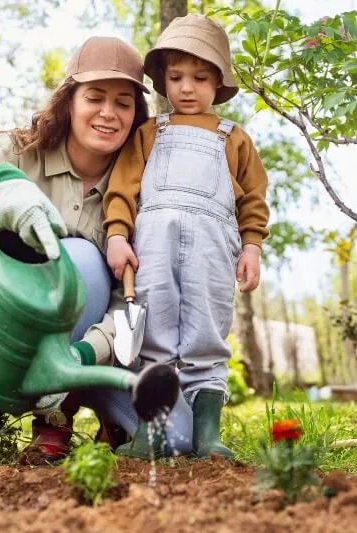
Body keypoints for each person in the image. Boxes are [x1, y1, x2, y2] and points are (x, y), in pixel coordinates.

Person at [0, 36, 153, 460]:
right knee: (79, 258)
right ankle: (52, 427)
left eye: (123, 102)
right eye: (95, 97)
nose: (108, 113)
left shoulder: (139, 191)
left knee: (168, 437)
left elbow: (130, 303)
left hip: (85, 358)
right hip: (1, 336)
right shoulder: (18, 151)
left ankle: (94, 416)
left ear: (136, 114)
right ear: (68, 101)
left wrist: (81, 356)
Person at [103, 14, 270, 459]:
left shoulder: (235, 140)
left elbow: (252, 200)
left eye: (200, 77)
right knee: (153, 333)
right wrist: (118, 234)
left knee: (206, 335)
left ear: (219, 82)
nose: (187, 88)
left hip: (214, 250)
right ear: (162, 81)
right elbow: (122, 190)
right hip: (152, 246)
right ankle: (150, 433)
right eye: (176, 77)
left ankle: (207, 435)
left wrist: (251, 245)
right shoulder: (147, 133)